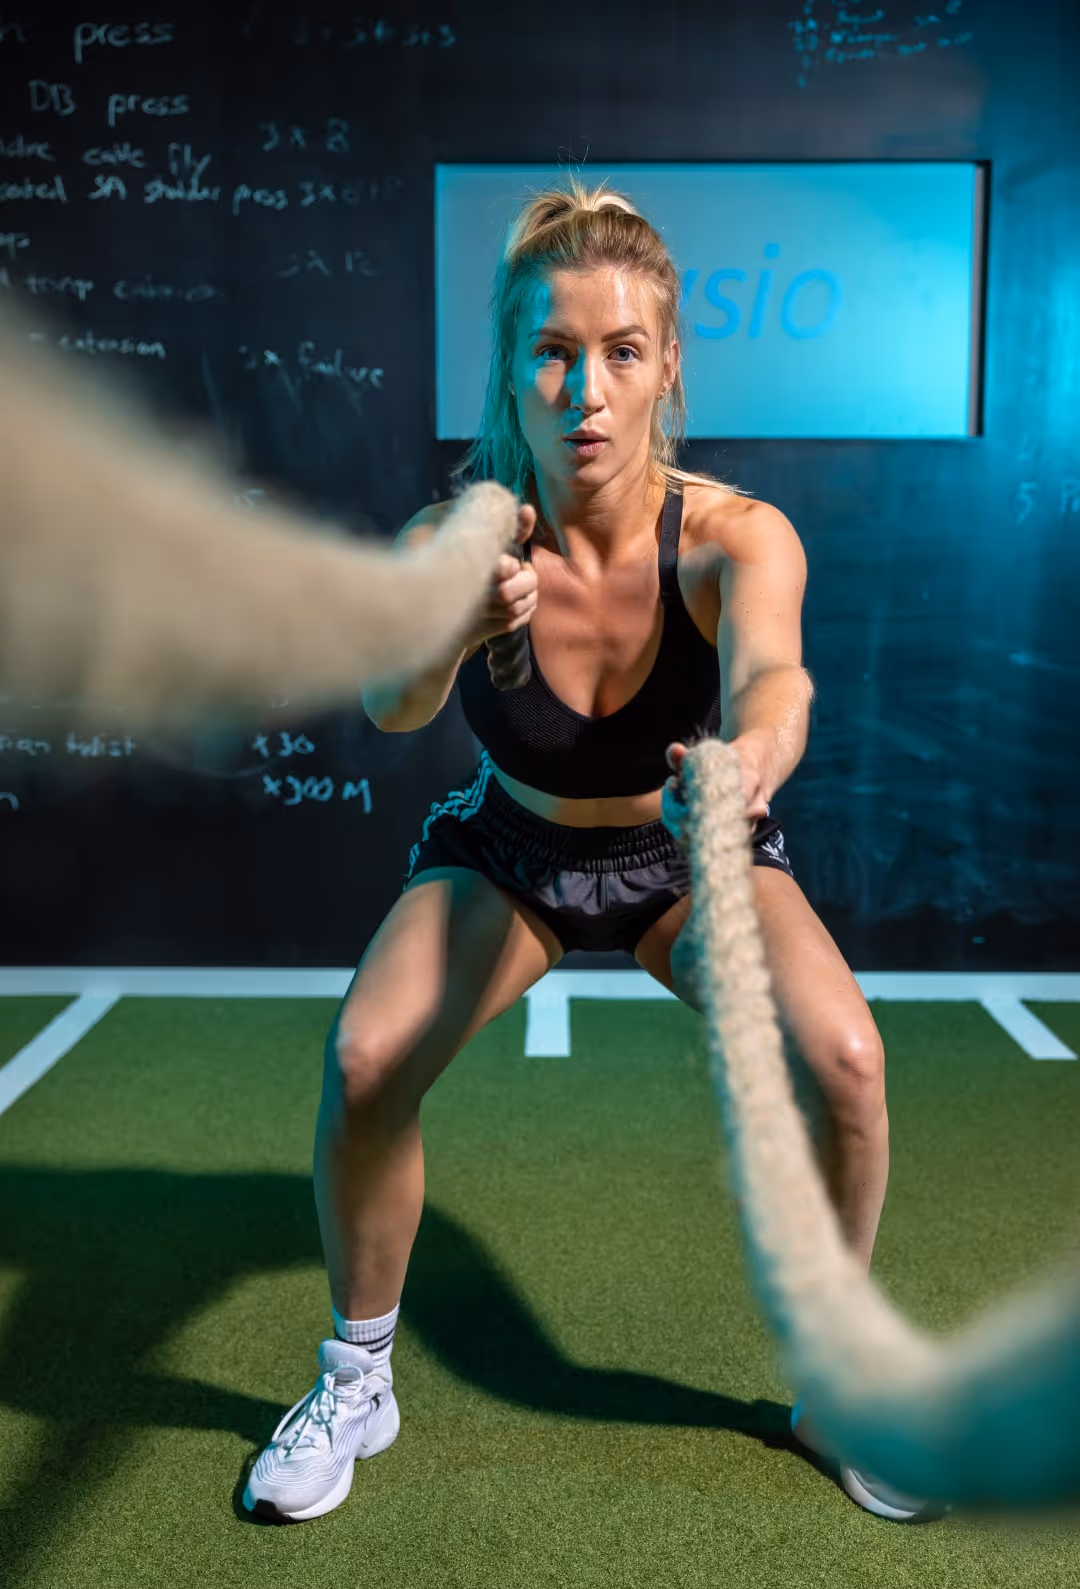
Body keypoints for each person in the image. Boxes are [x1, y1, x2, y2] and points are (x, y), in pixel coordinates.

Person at [244, 175, 923, 1523]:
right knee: (367, 1055)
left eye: (621, 353)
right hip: (514, 853)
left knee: (848, 1059)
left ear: (669, 362)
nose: (588, 393)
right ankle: (358, 1377)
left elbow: (780, 682)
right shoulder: (460, 535)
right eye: (553, 354)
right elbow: (391, 706)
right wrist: (450, 627)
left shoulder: (734, 537)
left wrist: (746, 770)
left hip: (687, 859)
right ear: (510, 367)